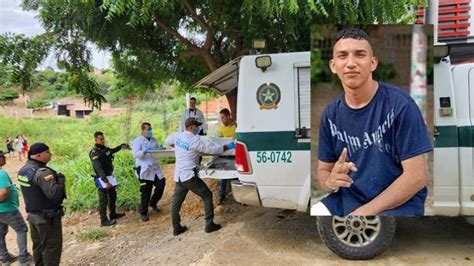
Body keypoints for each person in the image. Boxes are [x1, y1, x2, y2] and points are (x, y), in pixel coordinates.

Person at [314, 28, 432, 216]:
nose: (351, 63)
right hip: (349, 198)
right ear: (333, 65)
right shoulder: (330, 115)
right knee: (317, 211)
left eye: (360, 55)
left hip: (396, 203)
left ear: (373, 63)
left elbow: (417, 177)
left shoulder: (401, 106)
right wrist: (330, 182)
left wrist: (364, 213)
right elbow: (323, 170)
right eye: (342, 56)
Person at [165, 117, 235, 236]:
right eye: (197, 126)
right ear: (191, 127)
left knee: (176, 203)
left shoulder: (178, 136)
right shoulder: (194, 140)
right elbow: (211, 150)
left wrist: (176, 146)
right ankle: (209, 224)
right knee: (207, 195)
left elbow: (167, 141)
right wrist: (227, 147)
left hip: (179, 176)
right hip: (189, 176)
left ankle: (176, 228)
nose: (198, 128)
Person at [17, 143, 66, 266]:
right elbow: (54, 194)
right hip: (46, 219)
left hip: (33, 216)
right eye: (48, 152)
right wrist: (61, 180)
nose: (51, 154)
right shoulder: (42, 173)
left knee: (38, 247)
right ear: (39, 155)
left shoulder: (24, 170)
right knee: (51, 249)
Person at [0, 151, 33, 264]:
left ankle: (5, 257)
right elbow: (4, 192)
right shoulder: (1, 174)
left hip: (2, 211)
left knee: (0, 233)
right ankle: (24, 257)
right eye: (2, 156)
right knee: (21, 229)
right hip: (7, 209)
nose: (4, 158)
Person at [89, 132, 127, 226]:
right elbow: (98, 168)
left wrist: (121, 146)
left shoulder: (105, 149)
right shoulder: (94, 153)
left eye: (103, 139)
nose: (103, 141)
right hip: (102, 178)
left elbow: (112, 151)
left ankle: (113, 214)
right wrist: (105, 181)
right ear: (96, 140)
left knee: (113, 196)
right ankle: (103, 220)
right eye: (100, 139)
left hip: (109, 176)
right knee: (103, 200)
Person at [132, 123, 166, 222]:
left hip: (154, 167)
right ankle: (143, 212)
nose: (150, 131)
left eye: (151, 129)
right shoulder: (137, 141)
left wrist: (159, 149)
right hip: (144, 168)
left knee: (161, 184)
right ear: (143, 130)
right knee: (146, 190)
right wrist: (144, 151)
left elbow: (155, 152)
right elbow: (135, 154)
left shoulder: (154, 140)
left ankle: (153, 202)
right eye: (148, 129)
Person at [216, 108, 236, 204]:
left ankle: (240, 197)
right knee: (223, 176)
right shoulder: (221, 129)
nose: (222, 120)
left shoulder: (236, 126)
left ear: (228, 116)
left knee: (236, 175)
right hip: (224, 156)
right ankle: (222, 196)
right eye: (221, 118)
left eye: (223, 117)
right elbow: (219, 142)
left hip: (236, 155)